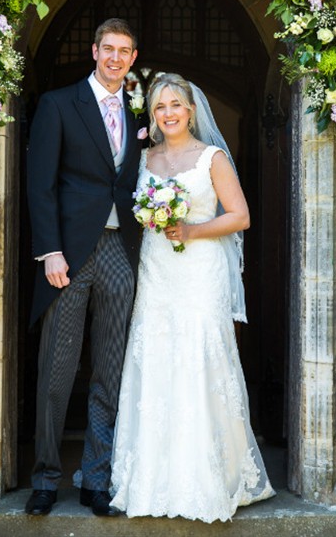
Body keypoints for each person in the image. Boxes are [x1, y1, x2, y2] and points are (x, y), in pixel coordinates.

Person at [110, 73, 275, 523]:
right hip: (157, 270)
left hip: (200, 272)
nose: (168, 113)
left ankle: (210, 478)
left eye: (176, 105)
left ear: (191, 110)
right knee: (157, 359)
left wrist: (193, 230)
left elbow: (240, 216)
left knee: (201, 362)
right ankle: (152, 479)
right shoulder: (143, 158)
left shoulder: (212, 158)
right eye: (160, 107)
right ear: (154, 114)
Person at [25, 18, 145, 517]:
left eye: (125, 51)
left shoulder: (141, 110)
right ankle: (47, 479)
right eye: (108, 49)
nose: (116, 58)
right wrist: (50, 250)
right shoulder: (58, 104)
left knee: (111, 371)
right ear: (94, 51)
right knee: (58, 369)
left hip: (122, 250)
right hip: (69, 256)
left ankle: (96, 478)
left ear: (133, 58)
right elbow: (41, 184)